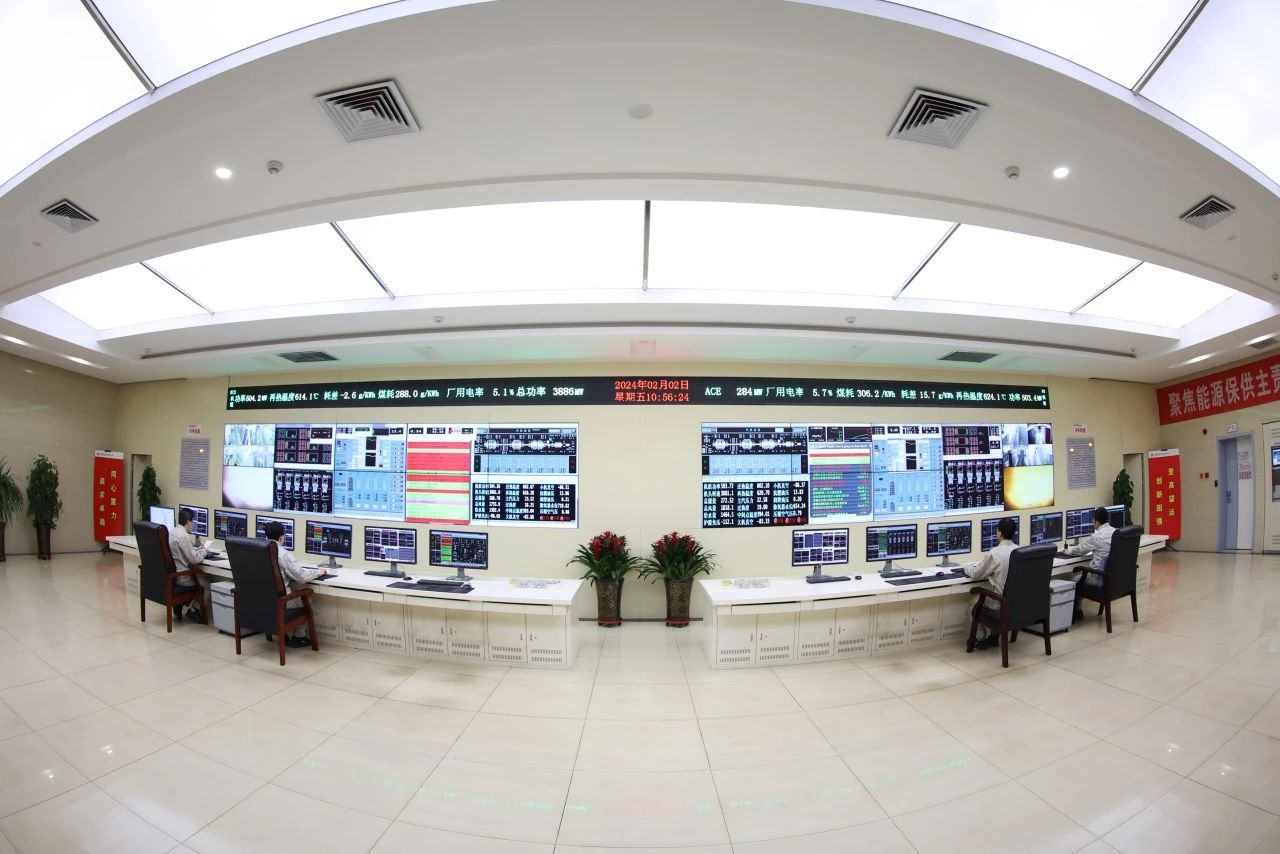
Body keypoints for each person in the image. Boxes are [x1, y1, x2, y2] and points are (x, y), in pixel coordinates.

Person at [264, 521, 324, 648]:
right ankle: (299, 637)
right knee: (306, 599)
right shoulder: (283, 554)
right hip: (281, 602)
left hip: (262, 600)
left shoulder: (259, 549)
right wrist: (319, 572)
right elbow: (301, 577)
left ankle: (283, 634)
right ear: (281, 537)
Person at [963, 517, 1017, 650]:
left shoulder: (994, 554)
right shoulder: (1020, 551)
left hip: (1001, 604)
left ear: (999, 533)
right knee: (996, 595)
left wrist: (965, 567)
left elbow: (976, 574)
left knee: (975, 601)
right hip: (1017, 604)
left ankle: (981, 638)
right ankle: (993, 636)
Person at [168, 507, 208, 620]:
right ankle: (195, 610)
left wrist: (196, 549)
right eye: (192, 522)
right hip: (182, 577)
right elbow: (194, 560)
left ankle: (179, 605)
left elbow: (183, 552)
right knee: (208, 583)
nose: (193, 524)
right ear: (188, 522)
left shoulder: (172, 532)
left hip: (173, 576)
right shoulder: (184, 536)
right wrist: (205, 550)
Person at [1063, 506, 1115, 594]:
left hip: (1099, 578)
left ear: (1097, 523)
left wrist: (1069, 551)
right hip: (1112, 577)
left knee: (1074, 580)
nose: (1092, 522)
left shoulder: (1097, 537)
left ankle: (1075, 603)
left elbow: (1081, 549)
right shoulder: (1115, 532)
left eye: (1093, 520)